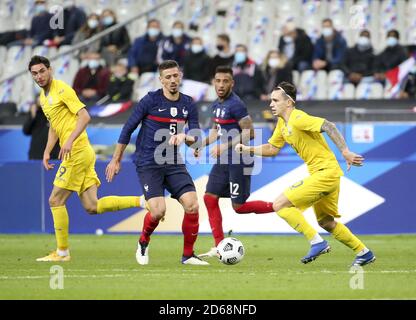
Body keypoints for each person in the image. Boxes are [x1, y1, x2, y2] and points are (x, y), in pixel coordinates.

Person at [236, 82, 376, 267]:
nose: (271, 104)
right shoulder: (282, 123)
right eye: (271, 100)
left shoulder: (298, 118)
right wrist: (248, 149)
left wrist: (345, 151)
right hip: (327, 174)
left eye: (275, 100)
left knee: (280, 205)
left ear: (289, 102)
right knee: (326, 222)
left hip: (325, 173)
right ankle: (363, 252)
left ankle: (317, 242)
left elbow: (328, 125)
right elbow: (272, 148)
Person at [28, 55, 144, 262]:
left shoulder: (62, 89)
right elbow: (55, 126)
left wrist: (70, 140)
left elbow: (85, 116)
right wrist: (47, 151)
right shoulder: (43, 98)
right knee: (92, 206)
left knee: (55, 200)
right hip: (81, 151)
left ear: (50, 70)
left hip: (78, 151)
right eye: (34, 73)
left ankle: (62, 252)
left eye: (42, 71)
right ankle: (142, 201)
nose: (39, 76)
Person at [105, 60, 209, 266]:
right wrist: (115, 160)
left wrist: (186, 138)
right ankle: (143, 241)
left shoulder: (188, 103)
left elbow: (195, 136)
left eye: (175, 76)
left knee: (192, 205)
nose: (172, 80)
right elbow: (127, 129)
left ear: (180, 77)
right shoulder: (150, 101)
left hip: (173, 163)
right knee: (158, 211)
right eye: (168, 77)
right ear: (160, 80)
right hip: (148, 163)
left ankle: (188, 255)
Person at [197, 66, 275, 258]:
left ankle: (277, 206)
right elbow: (216, 132)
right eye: (218, 81)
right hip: (224, 160)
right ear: (213, 82)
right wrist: (201, 144)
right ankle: (219, 246)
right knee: (209, 198)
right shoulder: (216, 105)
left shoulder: (236, 105)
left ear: (232, 83)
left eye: (225, 81)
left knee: (238, 207)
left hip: (240, 159)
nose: (221, 85)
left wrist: (224, 147)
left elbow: (250, 133)